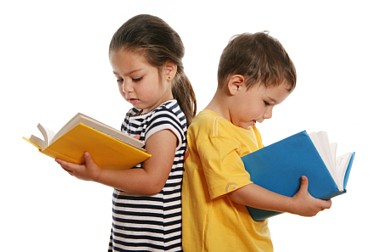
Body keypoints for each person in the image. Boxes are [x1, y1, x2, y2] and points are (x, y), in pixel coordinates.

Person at [56, 14, 196, 251]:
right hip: (128, 237)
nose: (126, 88)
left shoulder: (165, 118)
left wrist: (97, 174)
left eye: (136, 77)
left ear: (169, 70)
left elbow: (152, 181)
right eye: (119, 79)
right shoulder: (135, 116)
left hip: (154, 244)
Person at [181, 32, 332, 251]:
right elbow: (237, 189)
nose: (268, 115)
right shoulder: (210, 128)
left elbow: (259, 182)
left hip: (252, 243)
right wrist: (292, 205)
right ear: (236, 84)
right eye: (266, 103)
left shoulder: (246, 128)